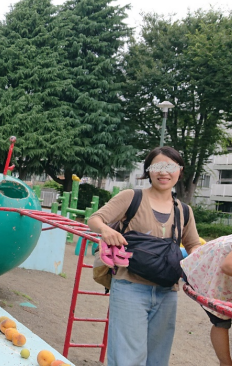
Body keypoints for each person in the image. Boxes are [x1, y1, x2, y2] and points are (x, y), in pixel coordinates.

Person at [88, 146, 201, 366]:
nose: (164, 172)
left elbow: (194, 244)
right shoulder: (132, 197)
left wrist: (198, 264)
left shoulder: (184, 210)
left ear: (180, 171)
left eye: (170, 167)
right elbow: (95, 219)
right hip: (130, 287)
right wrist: (108, 230)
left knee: (158, 358)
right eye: (157, 166)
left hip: (167, 291)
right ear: (148, 170)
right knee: (127, 358)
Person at [181, 228, 232, 366]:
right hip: (208, 273)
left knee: (224, 317)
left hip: (223, 277)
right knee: (221, 320)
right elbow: (228, 266)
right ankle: (225, 363)